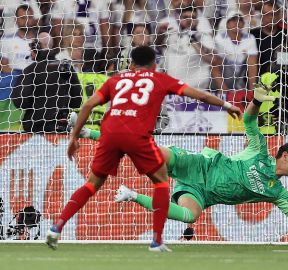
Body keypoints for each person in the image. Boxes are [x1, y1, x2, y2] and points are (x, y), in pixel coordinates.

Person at [67, 73, 288, 240]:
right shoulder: (259, 150)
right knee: (141, 147)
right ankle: (88, 131)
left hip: (201, 194)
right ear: (284, 155)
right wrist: (257, 101)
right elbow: (249, 121)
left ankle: (132, 195)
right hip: (196, 164)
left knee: (189, 216)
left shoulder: (278, 194)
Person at [45, 46, 242, 252]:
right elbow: (199, 95)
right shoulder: (160, 78)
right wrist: (228, 106)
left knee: (92, 184)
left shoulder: (116, 79)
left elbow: (87, 106)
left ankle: (56, 227)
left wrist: (74, 137)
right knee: (161, 182)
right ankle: (157, 241)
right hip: (137, 134)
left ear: (130, 64)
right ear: (154, 64)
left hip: (110, 132)